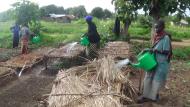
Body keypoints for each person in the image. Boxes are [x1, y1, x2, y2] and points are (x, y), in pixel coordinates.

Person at [137, 19, 172, 103]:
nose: (156, 29)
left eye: (158, 27)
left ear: (162, 27)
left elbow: (167, 51)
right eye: (155, 28)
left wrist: (156, 50)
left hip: (161, 62)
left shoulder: (166, 37)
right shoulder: (156, 36)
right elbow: (153, 48)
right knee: (148, 77)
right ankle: (145, 96)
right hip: (153, 61)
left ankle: (153, 98)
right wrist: (147, 50)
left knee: (156, 80)